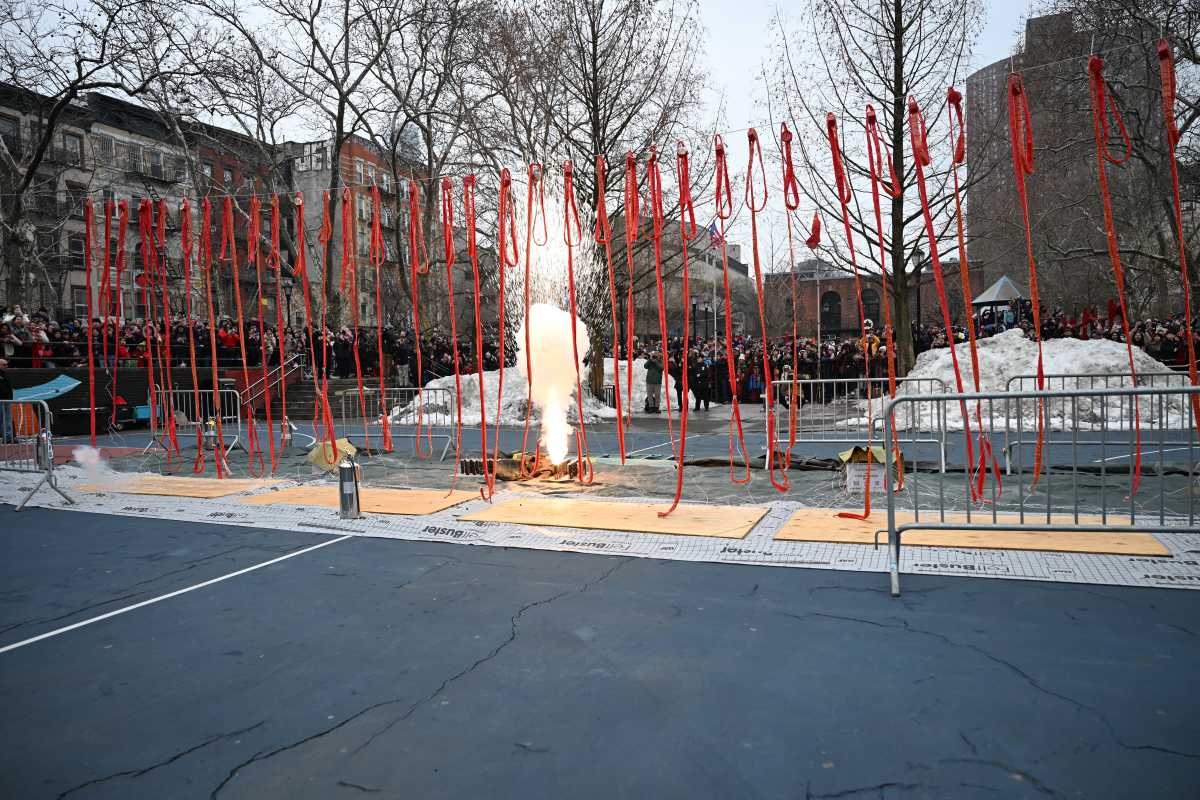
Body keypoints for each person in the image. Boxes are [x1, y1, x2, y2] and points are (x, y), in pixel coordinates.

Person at [0, 358, 12, 443]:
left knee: (6, 419)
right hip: (3, 400)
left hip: (6, 400)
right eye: (4, 365)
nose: (6, 366)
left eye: (7, 364)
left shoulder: (4, 374)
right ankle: (7, 438)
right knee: (5, 419)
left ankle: (7, 438)